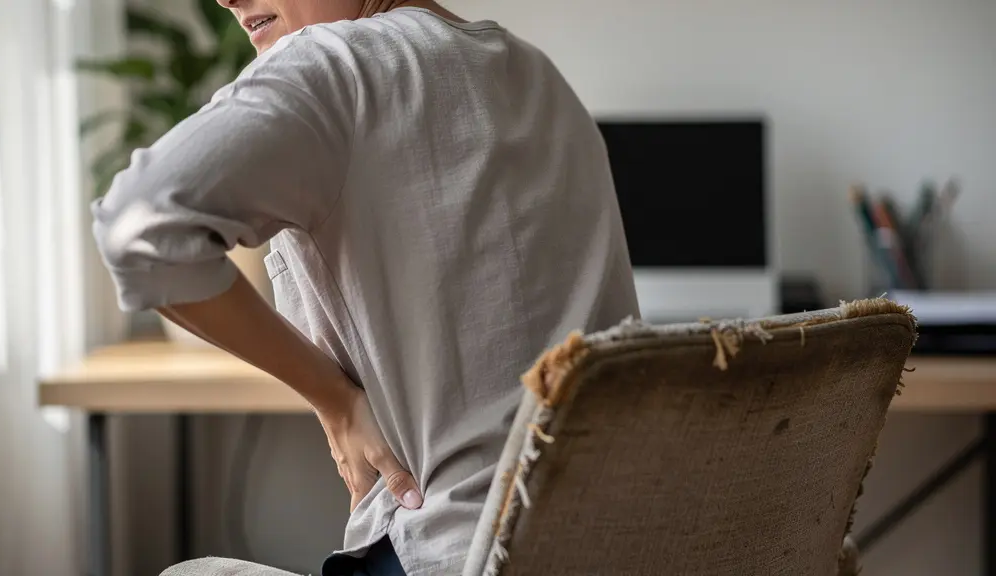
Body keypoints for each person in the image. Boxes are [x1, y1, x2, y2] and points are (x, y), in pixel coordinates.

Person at [91, 1, 639, 575]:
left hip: (455, 550)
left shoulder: (331, 63)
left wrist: (338, 401)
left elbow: (138, 228)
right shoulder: (541, 79)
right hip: (619, 545)